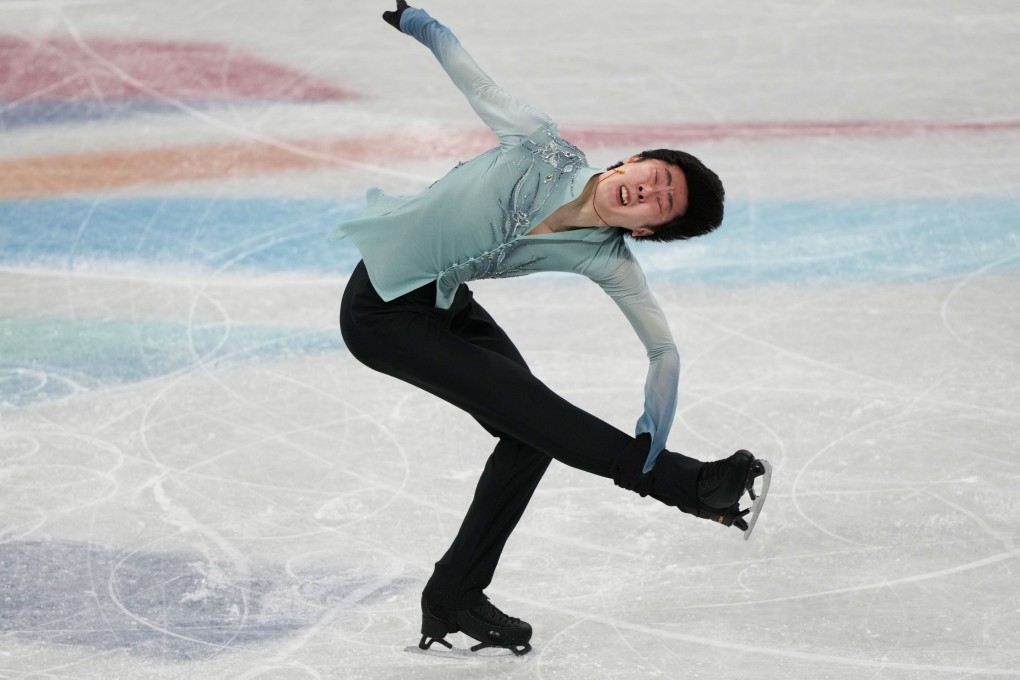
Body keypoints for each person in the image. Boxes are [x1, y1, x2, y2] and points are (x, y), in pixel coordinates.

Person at [337, 1, 770, 656]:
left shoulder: (608, 259)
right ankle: (689, 486)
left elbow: (662, 348)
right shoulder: (540, 141)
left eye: (661, 202)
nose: (645, 191)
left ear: (648, 230)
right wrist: (417, 21)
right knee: (536, 413)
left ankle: (454, 593)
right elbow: (470, 75)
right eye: (652, 176)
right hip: (381, 310)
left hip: (442, 304)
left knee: (528, 436)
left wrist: (654, 421)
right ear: (629, 161)